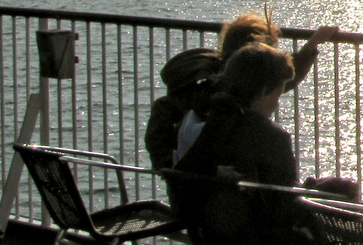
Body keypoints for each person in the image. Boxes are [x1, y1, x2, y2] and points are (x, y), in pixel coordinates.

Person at [172, 43, 338, 245]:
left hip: (212, 239)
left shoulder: (196, 125)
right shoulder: (272, 138)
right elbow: (285, 210)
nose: (277, 103)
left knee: (255, 218)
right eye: (277, 93)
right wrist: (318, 195)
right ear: (263, 90)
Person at [144, 11, 338, 169]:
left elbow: (164, 162)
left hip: (187, 203)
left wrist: (312, 46)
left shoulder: (187, 102)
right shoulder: (248, 127)